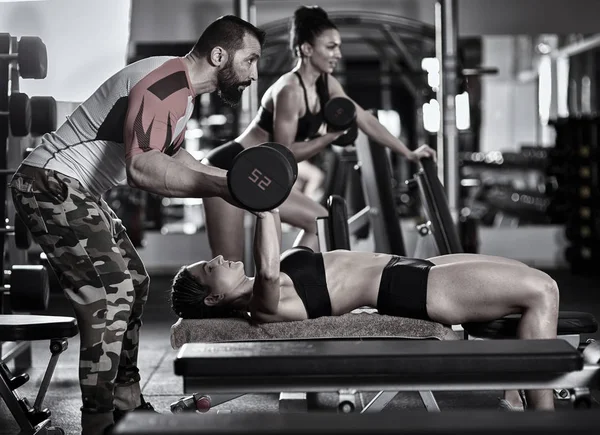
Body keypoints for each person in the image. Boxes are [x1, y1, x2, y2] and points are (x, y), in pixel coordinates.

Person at [9, 15, 266, 435]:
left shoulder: (182, 96)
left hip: (76, 190)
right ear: (220, 55)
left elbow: (179, 160)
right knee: (112, 292)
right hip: (49, 182)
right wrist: (220, 189)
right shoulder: (165, 83)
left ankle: (127, 402)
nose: (254, 73)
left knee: (136, 280)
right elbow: (144, 168)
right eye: (250, 60)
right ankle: (98, 421)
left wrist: (232, 184)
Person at [170, 208, 560, 411]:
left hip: (409, 268)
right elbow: (270, 270)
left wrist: (266, 195)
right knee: (544, 289)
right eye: (209, 268)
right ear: (213, 299)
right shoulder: (262, 306)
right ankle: (545, 417)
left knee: (526, 275)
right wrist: (261, 212)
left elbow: (293, 227)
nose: (217, 257)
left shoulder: (263, 281)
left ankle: (515, 396)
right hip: (410, 288)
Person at [201, 5, 435, 260]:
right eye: (331, 47)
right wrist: (329, 137)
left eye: (338, 46)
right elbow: (284, 154)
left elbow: (365, 120)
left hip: (262, 172)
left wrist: (409, 153)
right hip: (228, 167)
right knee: (227, 265)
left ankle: (285, 281)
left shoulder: (326, 83)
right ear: (307, 49)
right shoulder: (289, 89)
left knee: (319, 221)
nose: (338, 54)